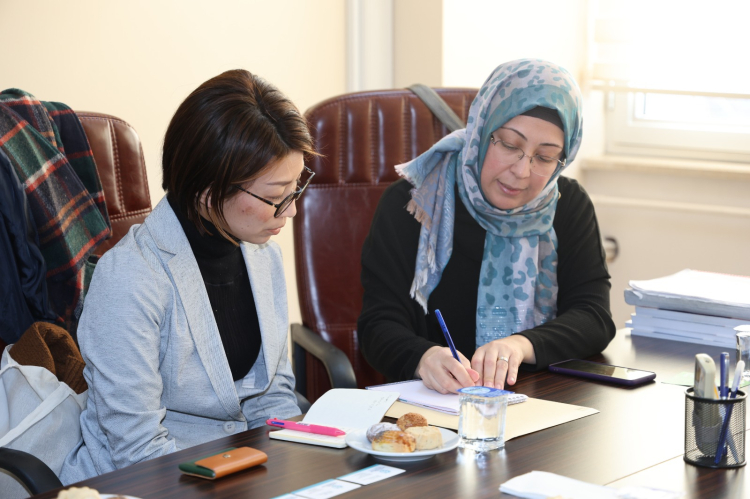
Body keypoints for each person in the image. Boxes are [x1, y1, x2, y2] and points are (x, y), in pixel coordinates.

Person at [61, 69, 315, 483]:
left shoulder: (263, 255)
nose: (292, 210)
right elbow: (138, 451)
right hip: (150, 482)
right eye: (275, 197)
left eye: (296, 188)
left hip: (243, 475)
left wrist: (299, 467)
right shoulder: (130, 279)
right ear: (207, 191)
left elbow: (272, 397)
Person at [357, 59, 615, 395]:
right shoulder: (415, 202)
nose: (522, 171)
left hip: (536, 401)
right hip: (433, 402)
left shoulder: (567, 205)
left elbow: (594, 316)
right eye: (509, 145)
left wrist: (520, 345)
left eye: (544, 157)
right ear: (482, 130)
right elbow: (378, 325)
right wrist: (423, 357)